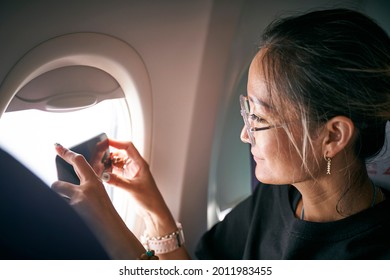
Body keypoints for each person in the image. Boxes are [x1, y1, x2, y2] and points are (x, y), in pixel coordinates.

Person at [52, 8, 390, 259]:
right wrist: (151, 203)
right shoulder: (280, 197)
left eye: (257, 117)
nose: (245, 134)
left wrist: (106, 229)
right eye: (246, 110)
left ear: (332, 137)